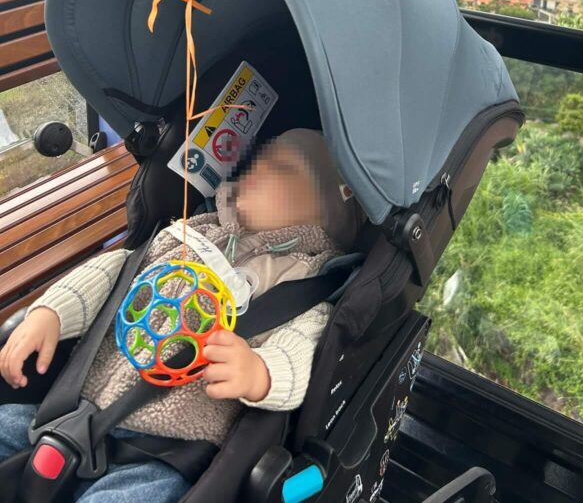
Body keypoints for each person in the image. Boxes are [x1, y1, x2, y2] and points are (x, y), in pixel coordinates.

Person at [0, 129, 363, 502]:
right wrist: (52, 312)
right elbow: (119, 270)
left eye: (282, 168)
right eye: (260, 158)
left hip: (164, 450)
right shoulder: (193, 230)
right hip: (73, 406)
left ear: (328, 211)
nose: (257, 167)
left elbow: (300, 347)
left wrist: (261, 374)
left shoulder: (306, 283)